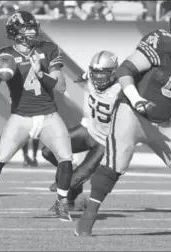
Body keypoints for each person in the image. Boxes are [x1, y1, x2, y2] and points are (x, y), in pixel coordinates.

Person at [75, 3, 171, 239]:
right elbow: (125, 70)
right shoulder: (161, 41)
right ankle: (87, 219)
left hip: (161, 120)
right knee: (115, 167)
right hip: (132, 114)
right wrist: (136, 99)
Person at [0, 11, 73, 221]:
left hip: (48, 115)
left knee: (66, 158)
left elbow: (61, 86)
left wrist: (40, 73)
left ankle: (62, 203)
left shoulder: (48, 48)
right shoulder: (2, 55)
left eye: (33, 27)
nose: (32, 31)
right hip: (21, 117)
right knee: (0, 159)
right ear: (15, 32)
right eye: (27, 28)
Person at [42, 50, 121, 210]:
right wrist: (82, 76)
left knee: (70, 181)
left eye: (103, 74)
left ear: (113, 73)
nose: (98, 77)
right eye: (95, 73)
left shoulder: (123, 89)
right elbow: (87, 75)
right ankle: (71, 181)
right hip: (88, 131)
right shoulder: (91, 77)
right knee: (48, 150)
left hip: (104, 143)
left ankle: (68, 200)